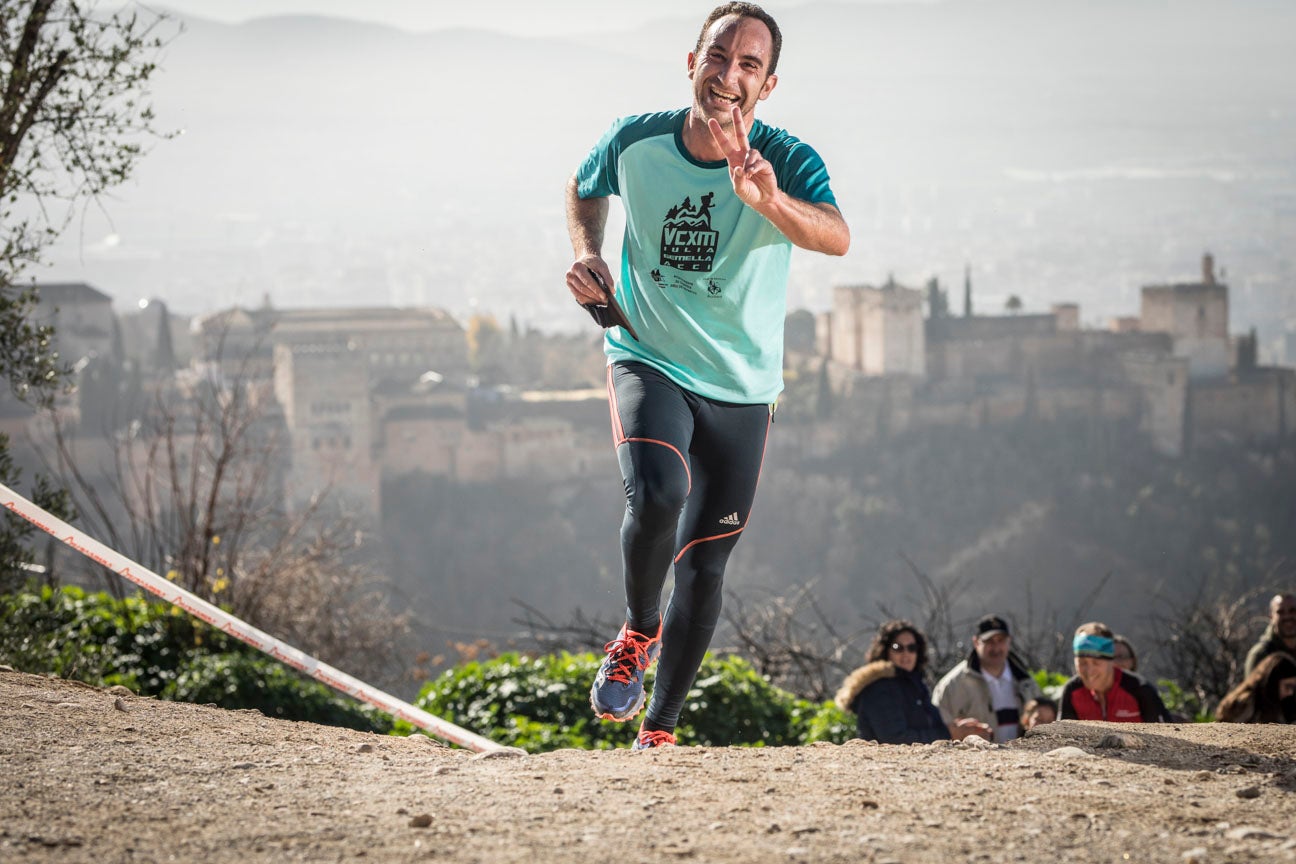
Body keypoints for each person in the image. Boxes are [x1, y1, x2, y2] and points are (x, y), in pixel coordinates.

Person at [564, 3, 850, 751]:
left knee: (704, 564)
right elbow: (584, 185)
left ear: (768, 85)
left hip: (744, 388)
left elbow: (836, 237)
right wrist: (589, 252)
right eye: (718, 56)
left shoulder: (784, 157)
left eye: (749, 64)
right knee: (659, 491)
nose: (729, 75)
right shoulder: (636, 140)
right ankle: (638, 631)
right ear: (692, 62)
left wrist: (769, 200)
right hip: (648, 354)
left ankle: (658, 731)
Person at [834, 620, 991, 745]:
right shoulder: (879, 688)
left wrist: (960, 728)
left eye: (912, 647)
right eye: (898, 647)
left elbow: (928, 726)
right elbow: (894, 739)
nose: (906, 653)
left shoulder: (916, 685)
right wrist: (950, 733)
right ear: (885, 651)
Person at [931, 614, 1042, 743]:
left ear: (1009, 641)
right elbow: (935, 730)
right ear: (976, 642)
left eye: (1001, 640)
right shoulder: (951, 686)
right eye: (989, 641)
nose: (996, 647)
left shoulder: (1026, 683)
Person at [1059, 622, 1164, 723]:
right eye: (1082, 663)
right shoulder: (1072, 690)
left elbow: (1164, 732)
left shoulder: (1139, 689)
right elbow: (1063, 733)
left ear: (1111, 661)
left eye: (1096, 663)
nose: (1089, 670)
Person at [1216, 651, 1296, 724]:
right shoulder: (1245, 704)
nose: (1290, 692)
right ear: (1273, 681)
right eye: (1287, 686)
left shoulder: (1282, 704)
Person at [1243, 593, 1296, 677]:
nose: (1287, 616)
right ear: (1271, 616)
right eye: (1280, 612)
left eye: (1292, 611)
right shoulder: (1261, 655)